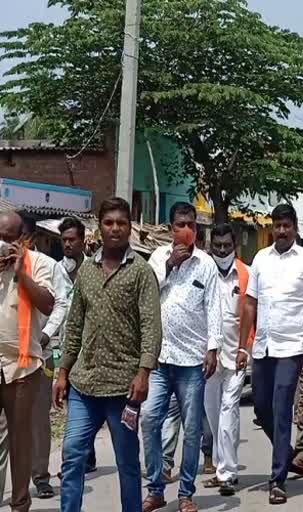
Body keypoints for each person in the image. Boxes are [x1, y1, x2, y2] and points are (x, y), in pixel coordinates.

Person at [55, 197, 162, 512]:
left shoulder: (141, 272)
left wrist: (143, 373)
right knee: (72, 453)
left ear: (130, 228)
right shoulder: (86, 270)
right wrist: (62, 372)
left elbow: (151, 328)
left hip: (123, 389)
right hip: (84, 385)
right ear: (99, 227)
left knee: (127, 462)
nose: (115, 229)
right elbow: (74, 325)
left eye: (121, 223)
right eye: (109, 222)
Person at [235, 203, 303, 505]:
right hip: (263, 346)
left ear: (295, 227)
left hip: (292, 346)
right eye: (278, 225)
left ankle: (277, 479)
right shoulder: (261, 258)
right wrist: (242, 346)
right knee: (261, 407)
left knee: (282, 406)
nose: (282, 231)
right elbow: (249, 303)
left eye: (287, 225)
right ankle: (285, 452)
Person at [142, 202, 222, 512]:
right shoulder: (158, 258)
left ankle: (186, 492)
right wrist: (170, 265)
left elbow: (213, 307)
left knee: (192, 429)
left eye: (190, 224)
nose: (185, 230)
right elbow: (147, 295)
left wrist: (212, 347)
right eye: (180, 225)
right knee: (149, 420)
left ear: (196, 229)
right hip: (160, 359)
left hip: (192, 360)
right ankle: (156, 488)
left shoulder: (206, 264)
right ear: (170, 228)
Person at [0, 210, 54, 512]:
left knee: (21, 443)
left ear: (24, 239)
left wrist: (22, 274)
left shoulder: (41, 264)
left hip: (22, 368)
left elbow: (47, 302)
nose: (3, 245)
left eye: (9, 239)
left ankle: (20, 504)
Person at [30, 217, 87, 499]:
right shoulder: (53, 269)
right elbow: (58, 305)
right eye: (62, 240)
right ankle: (42, 473)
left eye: (72, 240)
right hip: (53, 350)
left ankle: (72, 462)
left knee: (76, 410)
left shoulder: (93, 269)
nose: (67, 244)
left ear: (83, 241)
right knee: (45, 409)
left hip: (84, 350)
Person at [197, 224, 250, 496]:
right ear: (210, 245)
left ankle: (227, 473)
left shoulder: (245, 274)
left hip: (236, 356)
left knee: (229, 414)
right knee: (214, 415)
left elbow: (252, 314)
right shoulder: (203, 272)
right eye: (217, 246)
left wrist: (245, 348)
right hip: (208, 358)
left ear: (234, 245)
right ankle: (221, 466)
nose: (221, 251)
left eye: (226, 246)